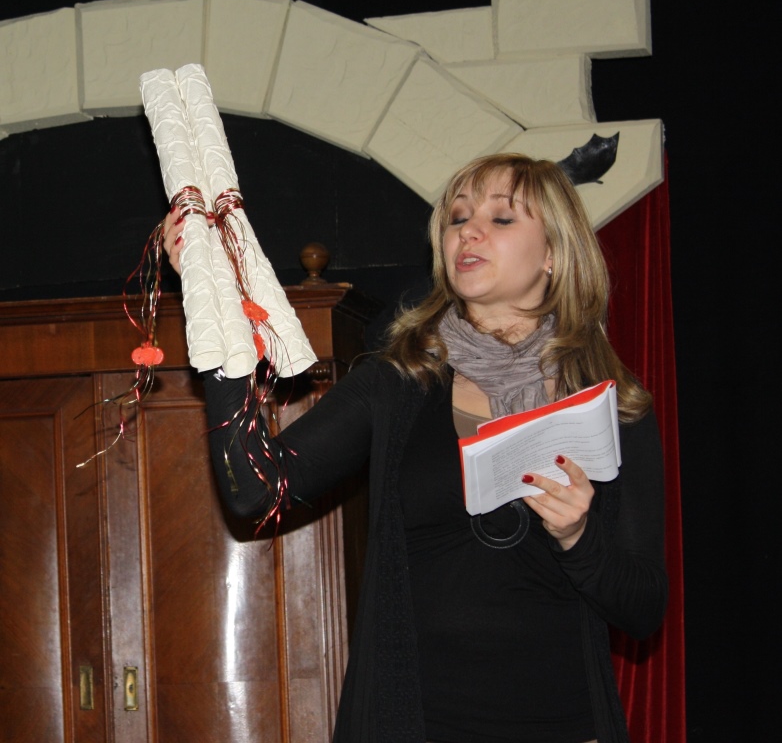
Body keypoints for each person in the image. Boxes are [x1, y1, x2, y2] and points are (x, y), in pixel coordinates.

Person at [161, 153, 668, 743]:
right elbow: (256, 489)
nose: (469, 232)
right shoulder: (397, 383)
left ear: (554, 253)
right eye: (457, 218)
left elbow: (643, 610)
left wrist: (579, 538)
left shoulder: (610, 406)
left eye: (501, 219)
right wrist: (212, 313)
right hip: (414, 724)